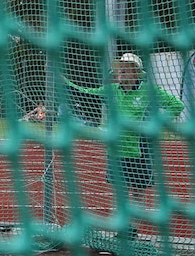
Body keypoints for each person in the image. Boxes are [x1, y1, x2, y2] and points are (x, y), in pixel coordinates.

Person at [65, 52, 184, 241]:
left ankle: (132, 231)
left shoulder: (149, 91)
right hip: (116, 150)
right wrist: (62, 81)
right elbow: (83, 93)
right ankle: (120, 229)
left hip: (140, 151)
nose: (122, 71)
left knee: (137, 192)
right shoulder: (111, 90)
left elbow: (176, 105)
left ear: (136, 72)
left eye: (127, 68)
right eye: (120, 68)